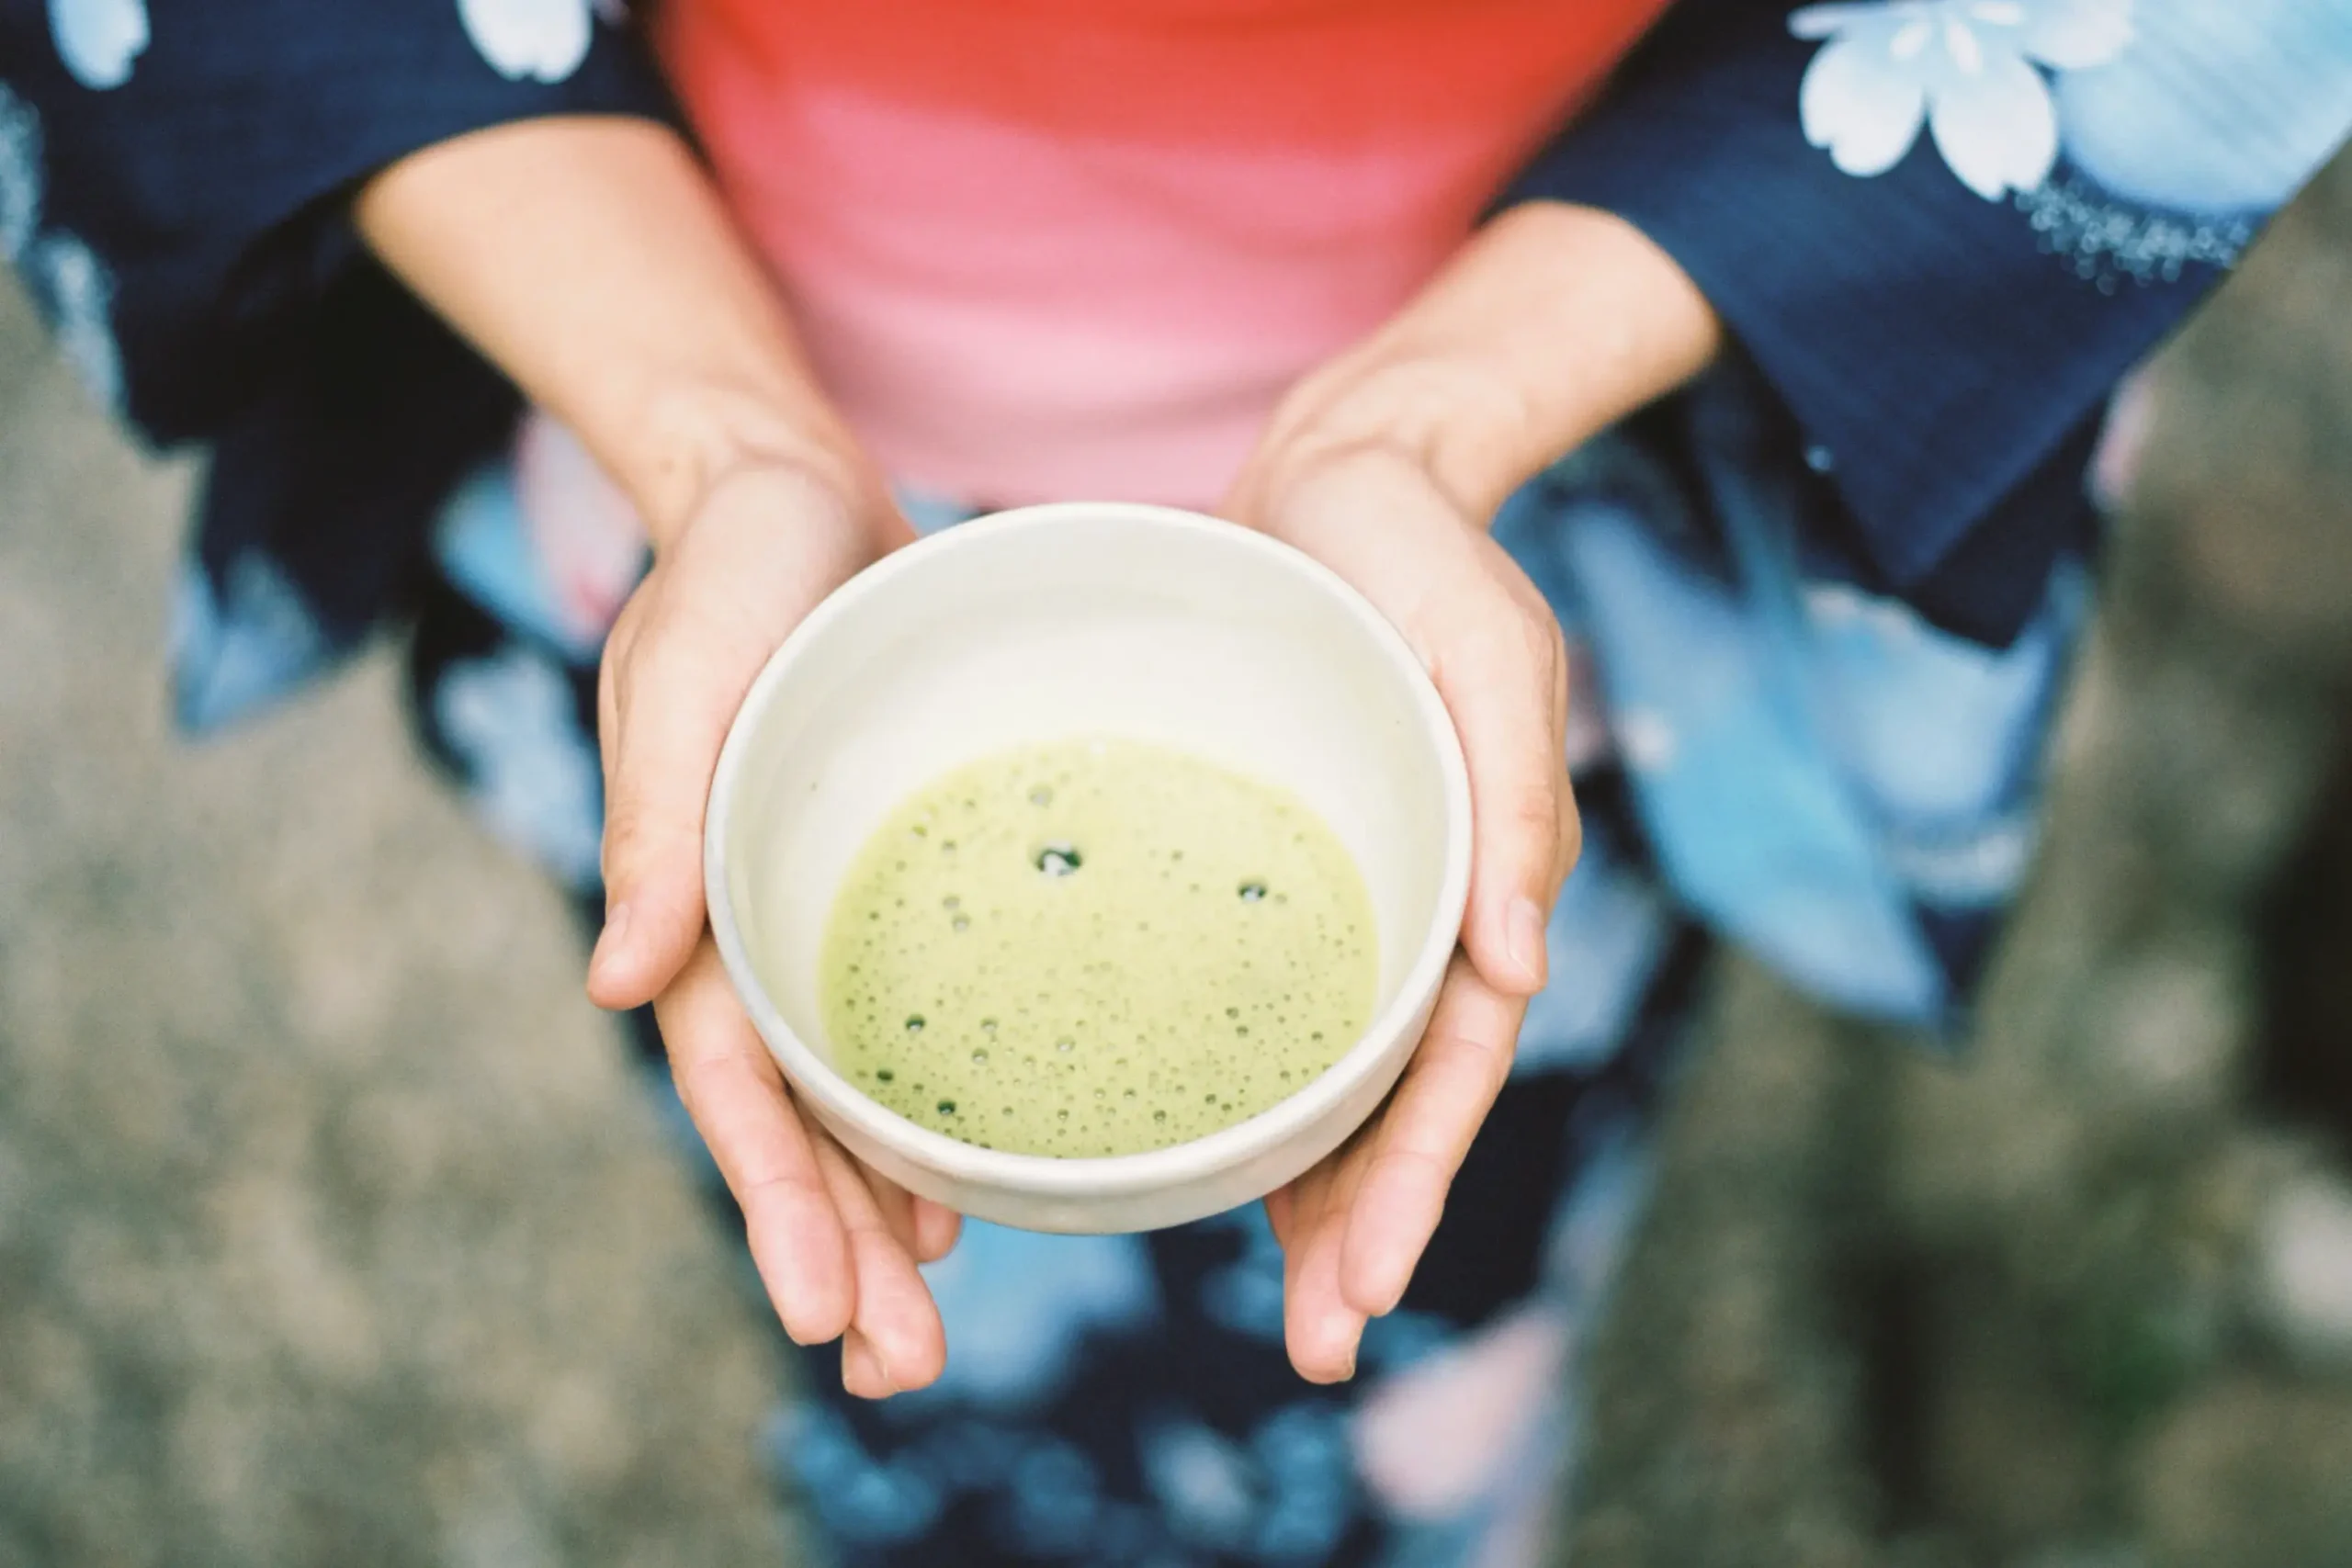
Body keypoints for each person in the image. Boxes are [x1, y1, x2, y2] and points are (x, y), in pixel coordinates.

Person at [5, 0, 2347, 1561]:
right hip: (688, 464)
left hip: (1539, 532)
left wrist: (1425, 416)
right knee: (881, 1283)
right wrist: (717, 434)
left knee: (1431, 1293)